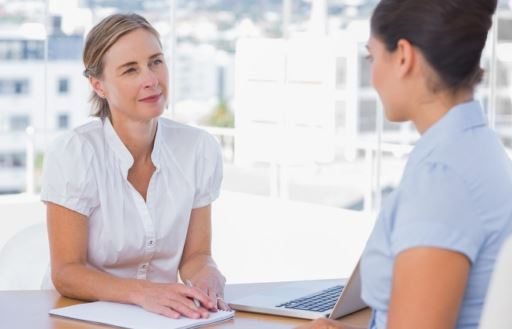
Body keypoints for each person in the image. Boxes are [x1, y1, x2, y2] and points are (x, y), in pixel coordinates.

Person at [298, 0, 512, 328]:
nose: (371, 74)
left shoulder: (441, 178)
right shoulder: (480, 147)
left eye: (371, 57)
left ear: (403, 56)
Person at [40, 13, 230, 319]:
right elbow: (66, 272)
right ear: (98, 85)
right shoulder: (74, 153)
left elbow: (196, 256)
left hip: (160, 318)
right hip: (78, 315)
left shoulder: (198, 149)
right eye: (131, 70)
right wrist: (142, 293)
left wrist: (208, 275)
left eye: (156, 61)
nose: (151, 79)